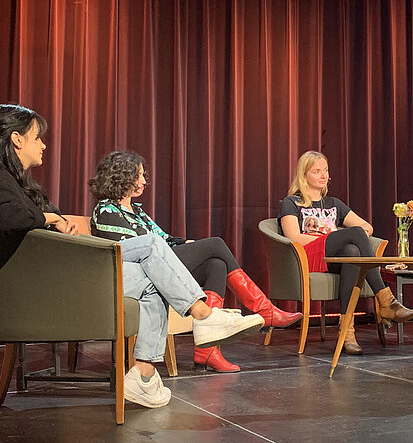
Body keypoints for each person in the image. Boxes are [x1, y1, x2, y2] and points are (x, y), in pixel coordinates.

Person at [0, 104, 264, 408]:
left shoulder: (23, 185)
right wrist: (51, 219)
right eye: (37, 138)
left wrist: (59, 225)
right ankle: (205, 316)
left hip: (70, 273)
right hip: (48, 284)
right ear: (17, 139)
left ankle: (143, 375)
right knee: (152, 246)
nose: (44, 144)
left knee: (157, 281)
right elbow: (10, 218)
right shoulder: (3, 179)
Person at [88, 150, 302, 373]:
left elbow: (165, 240)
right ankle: (264, 310)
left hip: (159, 265)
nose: (144, 181)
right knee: (216, 244)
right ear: (122, 177)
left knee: (215, 264)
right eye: (138, 176)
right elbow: (135, 251)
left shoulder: (138, 212)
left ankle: (208, 351)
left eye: (143, 175)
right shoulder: (106, 210)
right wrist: (192, 248)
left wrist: (187, 243)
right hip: (143, 273)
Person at [278, 150, 413, 355]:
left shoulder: (334, 204)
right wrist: (330, 238)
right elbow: (294, 237)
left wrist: (346, 238)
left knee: (352, 250)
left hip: (334, 257)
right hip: (308, 256)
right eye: (316, 171)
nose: (323, 175)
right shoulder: (292, 203)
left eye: (325, 170)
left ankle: (347, 333)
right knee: (352, 235)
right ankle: (386, 301)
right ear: (304, 175)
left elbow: (367, 227)